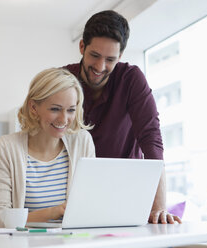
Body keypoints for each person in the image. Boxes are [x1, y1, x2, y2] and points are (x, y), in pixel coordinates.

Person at [63, 10, 181, 224]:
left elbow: (152, 140)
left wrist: (159, 208)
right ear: (82, 47)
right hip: (72, 197)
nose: (100, 67)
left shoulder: (131, 79)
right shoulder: (63, 79)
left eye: (110, 59)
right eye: (95, 56)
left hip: (127, 194)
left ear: (121, 56)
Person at [0, 68, 95, 228]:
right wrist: (52, 212)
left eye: (71, 110)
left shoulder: (82, 142)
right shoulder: (5, 148)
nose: (64, 119)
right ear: (34, 108)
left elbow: (90, 207)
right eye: (55, 109)